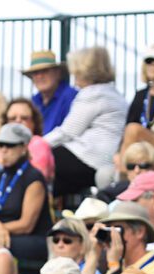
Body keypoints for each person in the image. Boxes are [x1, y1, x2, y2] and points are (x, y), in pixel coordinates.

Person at [45, 47, 129, 196]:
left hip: (90, 158)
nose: (74, 79)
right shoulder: (114, 93)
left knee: (43, 160)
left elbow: (68, 131)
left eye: (76, 73)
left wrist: (35, 145)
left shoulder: (92, 94)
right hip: (105, 159)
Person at [0, 123, 51, 274]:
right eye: (1, 144)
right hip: (1, 233)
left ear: (23, 147)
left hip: (32, 238)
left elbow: (26, 224)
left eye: (10, 145)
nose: (4, 149)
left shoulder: (33, 177)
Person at [23, 50, 77, 135]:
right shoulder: (34, 101)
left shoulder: (71, 97)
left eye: (45, 71)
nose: (40, 76)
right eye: (35, 73)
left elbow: (68, 134)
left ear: (57, 73)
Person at [3, 97, 54, 181]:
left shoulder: (38, 144)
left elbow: (35, 180)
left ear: (34, 122)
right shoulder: (2, 146)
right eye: (12, 118)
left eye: (24, 118)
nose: (18, 121)